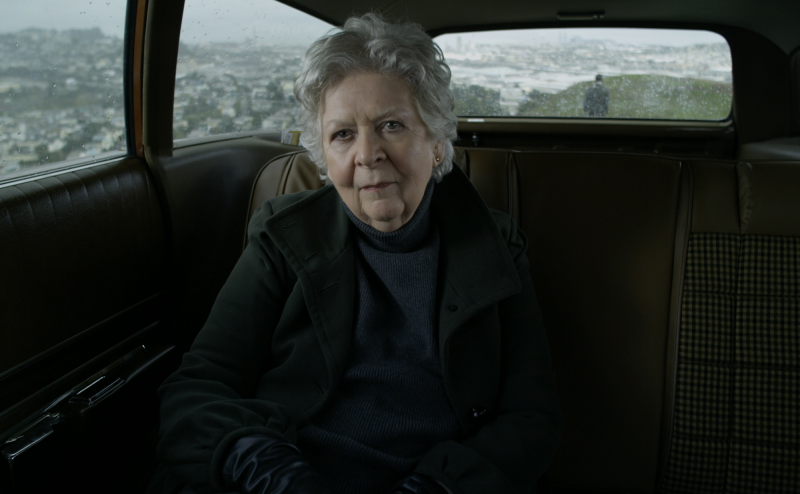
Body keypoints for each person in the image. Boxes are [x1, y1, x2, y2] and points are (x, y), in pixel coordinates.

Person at [149, 14, 561, 494]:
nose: (368, 154)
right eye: (343, 134)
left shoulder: (497, 245)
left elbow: (531, 417)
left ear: (435, 141)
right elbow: (198, 387)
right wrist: (268, 469)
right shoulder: (282, 236)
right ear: (325, 158)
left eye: (391, 125)